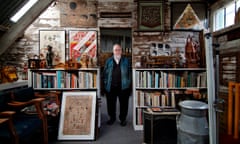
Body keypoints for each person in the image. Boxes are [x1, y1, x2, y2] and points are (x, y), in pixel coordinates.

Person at [103, 44, 131, 126]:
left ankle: (123, 119)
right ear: (113, 51)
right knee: (111, 104)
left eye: (119, 50)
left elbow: (129, 73)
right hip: (111, 86)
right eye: (116, 50)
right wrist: (105, 84)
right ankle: (112, 118)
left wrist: (129, 83)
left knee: (124, 104)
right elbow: (104, 73)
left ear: (121, 51)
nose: (117, 51)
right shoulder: (108, 61)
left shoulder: (126, 60)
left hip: (123, 86)